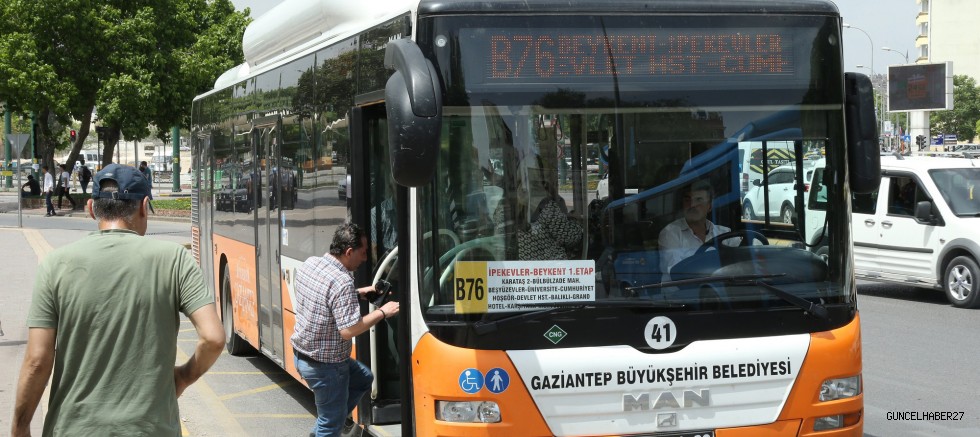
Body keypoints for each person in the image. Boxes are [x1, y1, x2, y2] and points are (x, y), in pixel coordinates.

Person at [11, 164, 225, 437]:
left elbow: (38, 361)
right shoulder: (175, 259)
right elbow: (213, 338)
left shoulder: (55, 264)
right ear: (144, 207)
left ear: (91, 208)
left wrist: (20, 426)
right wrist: (183, 377)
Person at [291, 223, 400, 437]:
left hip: (302, 356)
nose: (365, 258)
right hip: (326, 367)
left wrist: (359, 292)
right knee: (330, 425)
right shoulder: (341, 282)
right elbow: (349, 330)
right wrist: (383, 312)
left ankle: (335, 416)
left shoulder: (312, 264)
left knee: (363, 378)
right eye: (363, 252)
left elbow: (325, 297)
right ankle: (332, 421)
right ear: (349, 252)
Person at [658, 180, 732, 281]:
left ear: (709, 206)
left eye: (698, 200)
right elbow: (677, 273)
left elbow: (745, 260)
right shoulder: (671, 233)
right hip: (680, 294)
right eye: (688, 200)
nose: (692, 205)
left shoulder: (724, 233)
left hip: (717, 293)